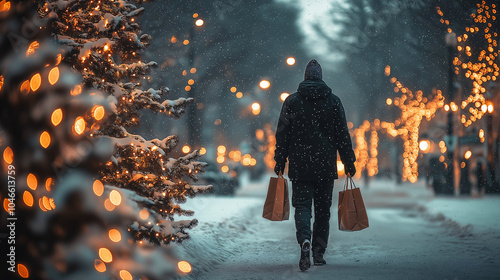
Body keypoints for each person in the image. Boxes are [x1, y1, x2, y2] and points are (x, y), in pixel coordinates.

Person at [274, 59, 356, 271]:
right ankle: (318, 251)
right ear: (320, 77)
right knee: (322, 211)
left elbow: (282, 134)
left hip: (300, 165)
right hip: (325, 166)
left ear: (304, 77)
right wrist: (348, 161)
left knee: (302, 206)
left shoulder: (292, 102)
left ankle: (304, 240)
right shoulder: (333, 102)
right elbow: (342, 135)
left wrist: (280, 160)